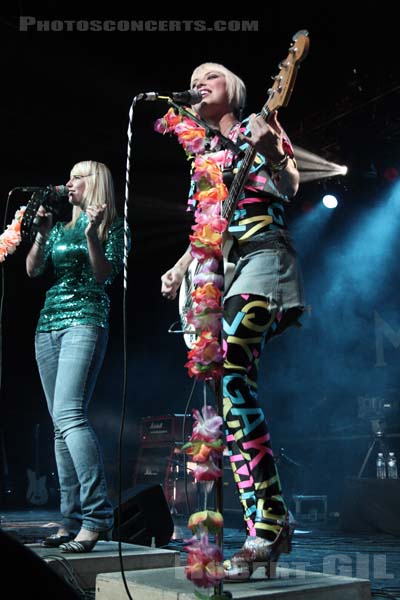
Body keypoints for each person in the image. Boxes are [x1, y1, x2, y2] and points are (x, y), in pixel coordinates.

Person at [161, 63, 305, 580]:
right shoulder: (201, 155)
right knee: (226, 392)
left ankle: (268, 526)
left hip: (263, 257)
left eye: (211, 76)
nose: (199, 80)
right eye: (193, 75)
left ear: (236, 90)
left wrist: (268, 149)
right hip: (221, 269)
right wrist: (180, 268)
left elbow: (289, 185)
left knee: (234, 375)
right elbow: (210, 229)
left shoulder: (258, 125)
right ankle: (264, 524)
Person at [26, 160, 129, 553]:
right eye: (67, 176)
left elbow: (104, 274)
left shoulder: (113, 226)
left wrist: (90, 234)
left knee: (70, 416)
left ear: (95, 182)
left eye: (76, 177)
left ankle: (97, 517)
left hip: (85, 320)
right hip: (47, 324)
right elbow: (34, 271)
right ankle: (69, 518)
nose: (68, 183)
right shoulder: (60, 226)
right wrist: (41, 235)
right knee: (58, 425)